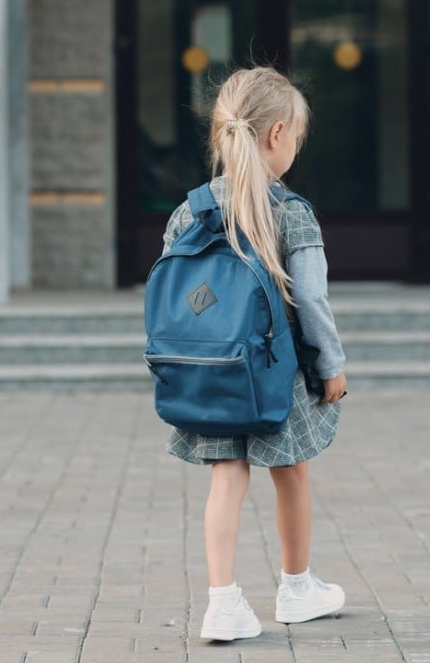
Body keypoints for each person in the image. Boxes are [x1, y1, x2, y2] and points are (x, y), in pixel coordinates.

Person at [159, 66, 348, 642]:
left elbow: (178, 296)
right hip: (278, 372)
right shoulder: (291, 211)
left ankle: (222, 602)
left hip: (210, 372)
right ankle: (296, 589)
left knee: (226, 477)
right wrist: (332, 364)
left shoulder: (190, 211)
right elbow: (311, 299)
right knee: (290, 473)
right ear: (277, 134)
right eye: (296, 137)